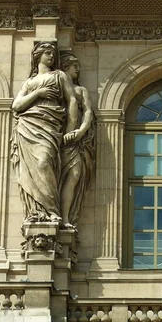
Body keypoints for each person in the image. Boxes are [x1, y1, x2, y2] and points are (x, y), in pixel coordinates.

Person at [11, 42, 78, 223]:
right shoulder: (29, 83)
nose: (51, 56)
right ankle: (41, 211)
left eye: (53, 53)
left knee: (43, 162)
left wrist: (70, 130)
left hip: (50, 127)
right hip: (28, 126)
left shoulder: (59, 76)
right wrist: (38, 93)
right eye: (47, 53)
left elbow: (72, 100)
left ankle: (51, 209)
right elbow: (16, 106)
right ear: (37, 56)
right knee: (32, 168)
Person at [59, 52, 96, 228]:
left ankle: (65, 217)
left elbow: (88, 112)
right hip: (56, 138)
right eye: (75, 67)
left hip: (75, 141)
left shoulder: (81, 90)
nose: (78, 70)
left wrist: (81, 131)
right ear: (66, 67)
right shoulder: (55, 86)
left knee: (73, 176)